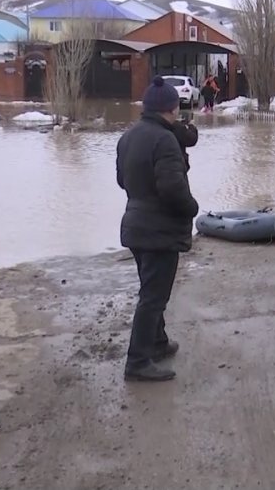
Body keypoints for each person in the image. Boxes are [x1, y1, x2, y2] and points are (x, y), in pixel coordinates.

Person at [116, 76, 201, 382]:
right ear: (172, 108)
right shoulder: (164, 140)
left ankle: (158, 342)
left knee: (151, 288)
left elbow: (121, 180)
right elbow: (172, 188)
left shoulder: (128, 137)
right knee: (154, 296)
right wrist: (192, 208)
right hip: (158, 230)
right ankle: (138, 360)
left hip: (136, 223)